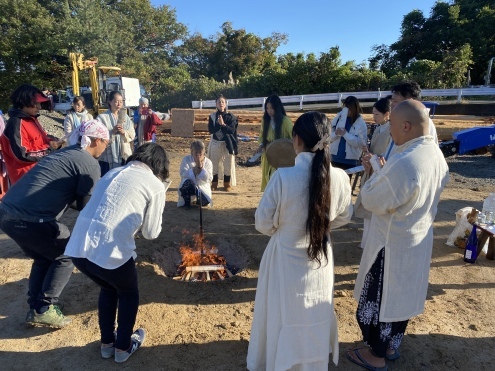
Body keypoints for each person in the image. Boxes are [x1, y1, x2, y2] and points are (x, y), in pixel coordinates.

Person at [347, 100, 449, 371]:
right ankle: (391, 345)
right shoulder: (433, 153)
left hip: (390, 245)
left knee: (380, 301)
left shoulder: (405, 162)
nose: (389, 131)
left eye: (392, 125)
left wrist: (374, 172)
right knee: (401, 298)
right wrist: (383, 170)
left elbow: (372, 199)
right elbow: (411, 191)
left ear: (406, 125)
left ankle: (376, 355)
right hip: (416, 239)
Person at [247, 111, 353, 370]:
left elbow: (262, 222)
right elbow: (344, 216)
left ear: (296, 140)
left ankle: (279, 362)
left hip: (284, 257)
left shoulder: (283, 176)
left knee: (281, 315)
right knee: (314, 313)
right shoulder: (340, 177)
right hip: (320, 258)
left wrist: (283, 230)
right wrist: (320, 228)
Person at [64, 142, 170, 363]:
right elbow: (151, 233)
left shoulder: (113, 171)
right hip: (108, 250)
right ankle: (123, 347)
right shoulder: (156, 185)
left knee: (108, 286)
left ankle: (107, 344)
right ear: (160, 166)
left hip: (79, 247)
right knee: (128, 293)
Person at [0, 120, 109, 328]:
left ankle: (36, 306)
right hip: (30, 218)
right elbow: (87, 206)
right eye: (106, 143)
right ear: (96, 140)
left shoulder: (65, 153)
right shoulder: (88, 163)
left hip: (6, 213)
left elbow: (75, 198)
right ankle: (45, 308)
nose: (106, 148)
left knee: (44, 257)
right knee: (66, 254)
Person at [0, 84, 59, 185]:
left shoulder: (32, 120)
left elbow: (42, 139)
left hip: (39, 175)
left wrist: (54, 141)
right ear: (24, 102)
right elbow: (21, 155)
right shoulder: (16, 123)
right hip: (26, 180)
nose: (39, 107)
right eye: (35, 103)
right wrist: (48, 149)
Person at [354, 98, 392, 249]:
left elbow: (388, 154)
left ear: (387, 114)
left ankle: (371, 242)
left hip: (381, 171)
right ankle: (365, 241)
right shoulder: (378, 128)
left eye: (377, 114)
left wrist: (373, 156)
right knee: (367, 208)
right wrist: (367, 152)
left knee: (374, 209)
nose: (374, 117)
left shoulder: (391, 129)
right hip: (371, 170)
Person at [257, 94, 293, 191]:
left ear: (277, 107)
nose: (269, 111)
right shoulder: (265, 120)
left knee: (277, 177)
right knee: (267, 176)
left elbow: (294, 137)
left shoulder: (285, 121)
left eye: (272, 108)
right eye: (267, 108)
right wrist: (261, 145)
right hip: (268, 152)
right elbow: (261, 136)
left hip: (281, 155)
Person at [97, 91, 135, 176]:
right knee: (108, 178)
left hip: (123, 154)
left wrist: (123, 132)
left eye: (121, 101)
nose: (119, 104)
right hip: (107, 157)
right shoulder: (102, 118)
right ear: (110, 102)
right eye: (116, 101)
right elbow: (98, 136)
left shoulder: (125, 117)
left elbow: (132, 133)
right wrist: (112, 132)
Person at [329, 95, 368, 171]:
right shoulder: (337, 118)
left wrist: (345, 134)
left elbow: (361, 143)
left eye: (349, 109)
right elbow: (328, 137)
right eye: (345, 108)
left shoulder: (360, 123)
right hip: (333, 157)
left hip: (349, 161)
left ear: (354, 109)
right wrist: (336, 133)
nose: (347, 111)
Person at [207, 95, 238, 191]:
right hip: (216, 142)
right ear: (216, 104)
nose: (221, 104)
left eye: (222, 102)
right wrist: (218, 124)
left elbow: (232, 130)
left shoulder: (231, 117)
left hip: (227, 144)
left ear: (225, 104)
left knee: (228, 164)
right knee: (214, 163)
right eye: (219, 102)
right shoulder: (212, 116)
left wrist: (223, 124)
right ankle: (214, 183)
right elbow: (211, 130)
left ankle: (226, 184)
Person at [178, 140, 213, 209]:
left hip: (202, 186)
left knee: (204, 203)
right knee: (187, 183)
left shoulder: (208, 162)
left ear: (203, 152)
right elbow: (183, 173)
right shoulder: (186, 159)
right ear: (192, 152)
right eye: (196, 152)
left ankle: (199, 200)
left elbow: (209, 178)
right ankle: (186, 202)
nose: (198, 155)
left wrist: (201, 169)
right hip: (189, 185)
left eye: (200, 152)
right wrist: (194, 170)